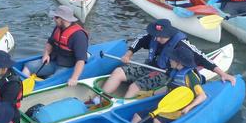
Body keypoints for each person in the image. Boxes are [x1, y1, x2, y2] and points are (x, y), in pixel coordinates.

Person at [101, 19, 236, 99]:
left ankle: (119, 107)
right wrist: (129, 54)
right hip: (149, 66)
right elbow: (140, 40)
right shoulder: (154, 36)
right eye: (156, 36)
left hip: (166, 74)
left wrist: (222, 74)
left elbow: (202, 57)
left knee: (134, 86)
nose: (157, 39)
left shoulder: (181, 44)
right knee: (118, 71)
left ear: (169, 34)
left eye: (161, 37)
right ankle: (101, 100)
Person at [100, 46, 207, 123]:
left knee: (157, 121)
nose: (170, 59)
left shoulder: (191, 77)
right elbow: (169, 89)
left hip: (178, 109)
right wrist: (149, 94)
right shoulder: (174, 71)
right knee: (138, 116)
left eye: (172, 58)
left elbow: (202, 96)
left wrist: (188, 108)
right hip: (167, 106)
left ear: (179, 63)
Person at [22, 6, 88, 86]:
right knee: (28, 66)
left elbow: (81, 60)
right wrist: (46, 54)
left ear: (62, 19)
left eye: (56, 17)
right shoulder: (58, 28)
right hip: (54, 61)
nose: (54, 19)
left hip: (66, 67)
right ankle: (21, 88)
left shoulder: (79, 36)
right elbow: (50, 43)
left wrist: (74, 78)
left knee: (50, 81)